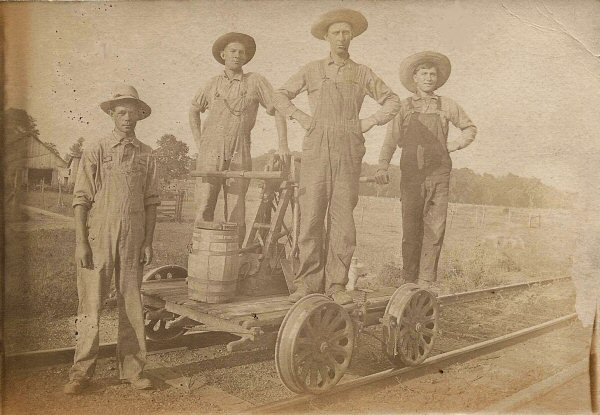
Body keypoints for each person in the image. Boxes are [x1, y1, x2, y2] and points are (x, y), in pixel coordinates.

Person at [274, 9, 400, 304]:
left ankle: (337, 286)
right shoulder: (312, 69)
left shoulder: (362, 72)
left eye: (346, 33)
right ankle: (306, 284)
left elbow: (392, 100)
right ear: (326, 37)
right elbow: (280, 95)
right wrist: (302, 118)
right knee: (311, 217)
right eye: (336, 33)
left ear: (352, 36)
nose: (342, 38)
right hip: (316, 147)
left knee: (343, 221)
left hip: (348, 148)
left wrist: (368, 122)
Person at [64, 85, 160, 394]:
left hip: (132, 237)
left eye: (133, 112)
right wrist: (81, 243)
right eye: (121, 112)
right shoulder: (97, 149)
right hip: (99, 235)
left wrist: (147, 241)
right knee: (90, 302)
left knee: (131, 301)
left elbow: (151, 202)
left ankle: (132, 369)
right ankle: (81, 372)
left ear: (139, 115)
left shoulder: (147, 154)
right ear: (112, 114)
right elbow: (80, 199)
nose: (127, 117)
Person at [376, 51, 477, 290]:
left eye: (433, 74)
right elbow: (391, 140)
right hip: (411, 174)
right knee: (410, 227)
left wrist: (454, 145)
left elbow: (470, 128)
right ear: (415, 77)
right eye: (424, 74)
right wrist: (382, 165)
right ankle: (408, 281)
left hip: (439, 173)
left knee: (435, 228)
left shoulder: (447, 105)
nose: (429, 78)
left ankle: (426, 281)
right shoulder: (403, 107)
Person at [189, 32, 289, 243]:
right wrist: (199, 142)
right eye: (233, 51)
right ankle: (200, 258)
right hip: (210, 151)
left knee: (236, 210)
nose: (237, 55)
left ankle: (233, 263)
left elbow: (278, 107)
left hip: (240, 149)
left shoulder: (255, 81)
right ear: (223, 54)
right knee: (204, 206)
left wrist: (283, 145)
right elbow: (193, 110)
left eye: (242, 52)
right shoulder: (212, 83)